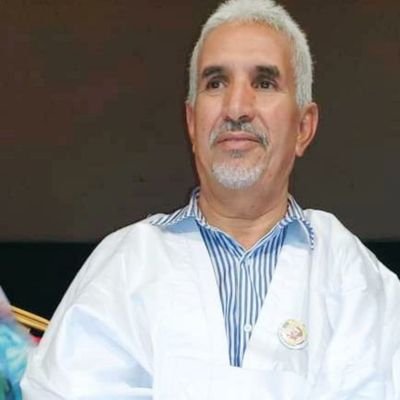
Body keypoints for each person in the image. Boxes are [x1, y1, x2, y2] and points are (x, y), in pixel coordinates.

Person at [22, 0, 400, 398]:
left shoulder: (354, 277)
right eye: (216, 83)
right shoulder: (126, 263)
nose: (236, 108)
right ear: (191, 122)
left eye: (264, 83)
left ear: (303, 127)